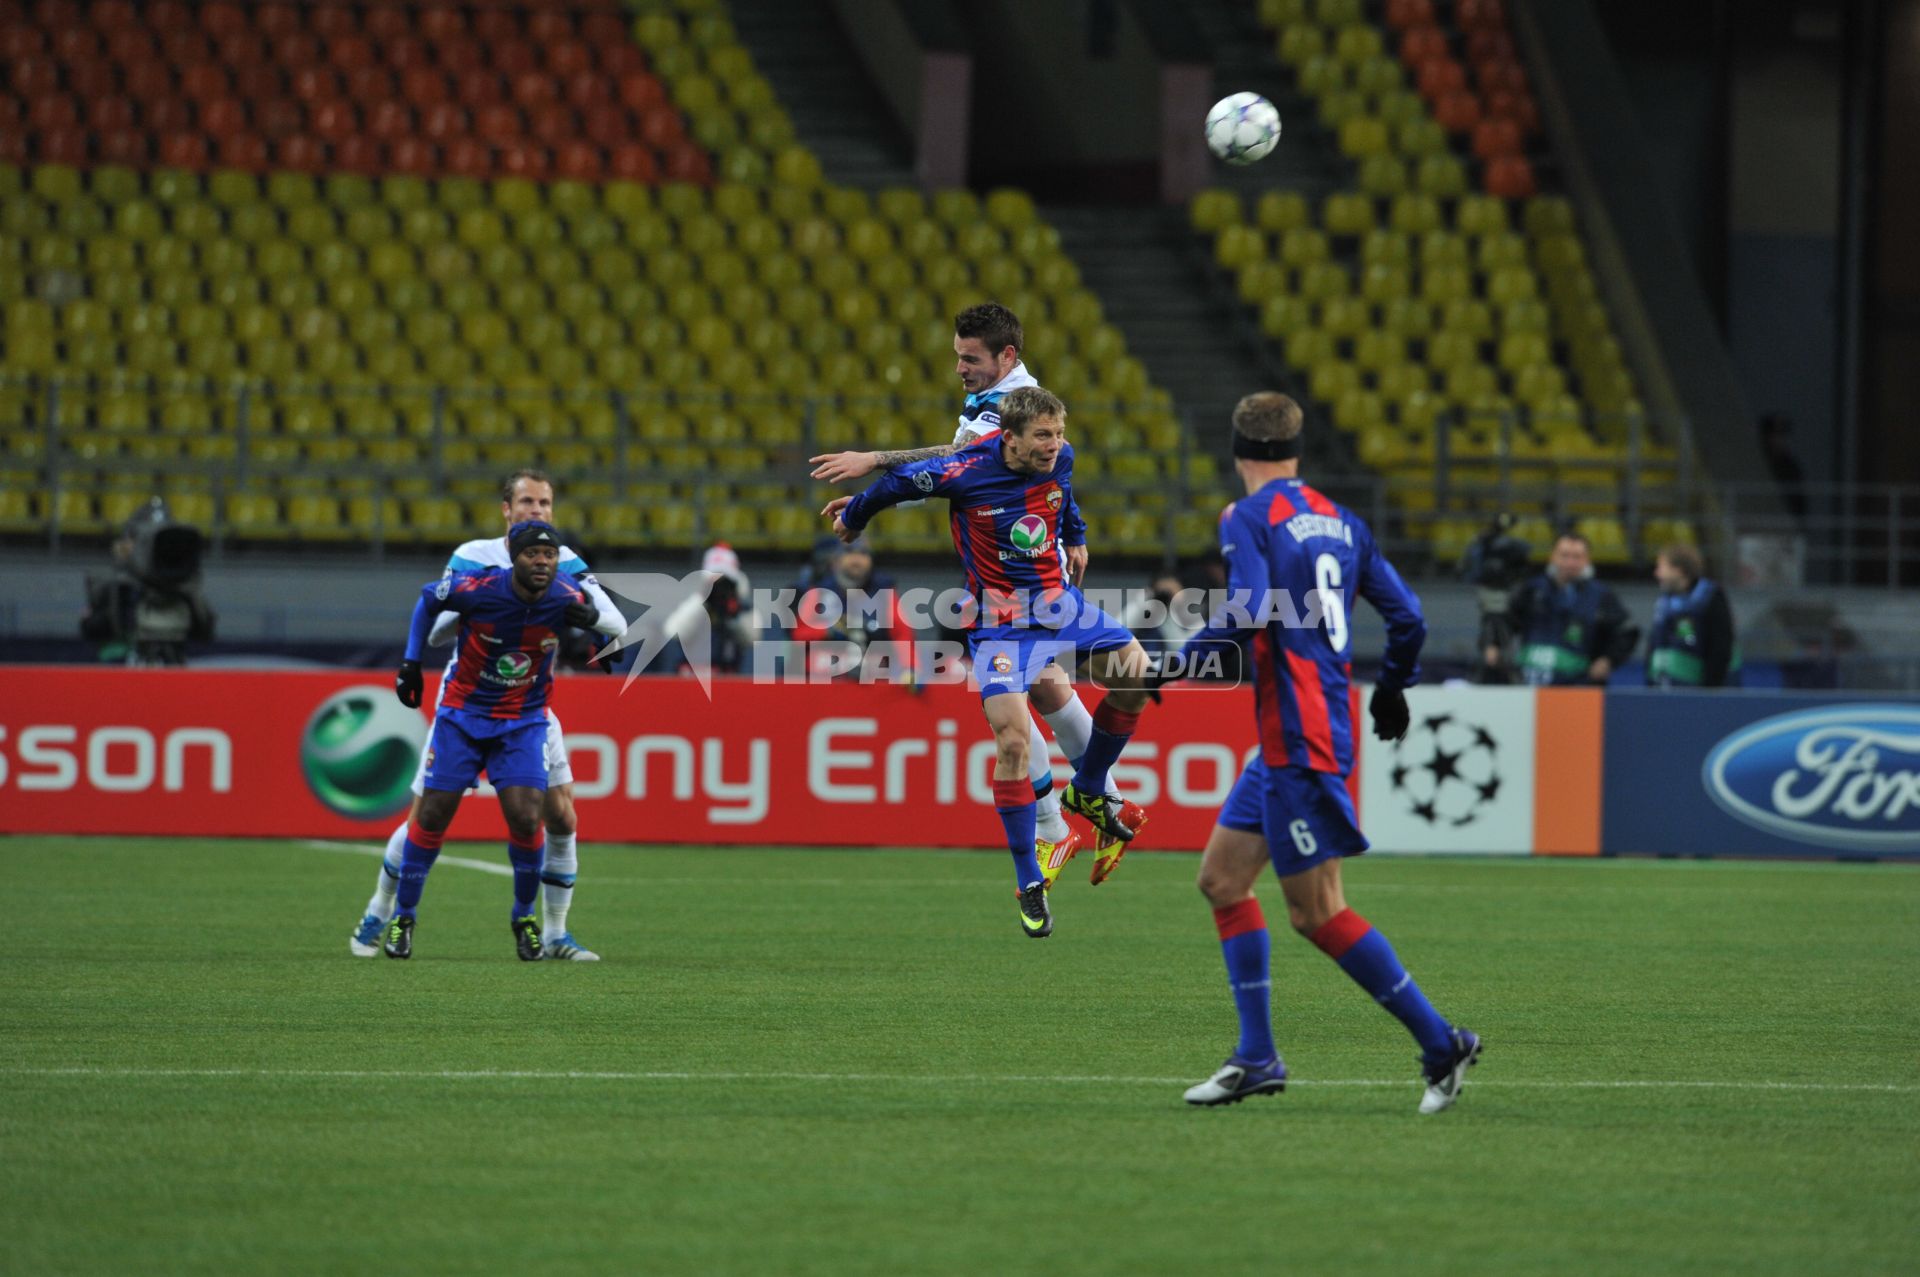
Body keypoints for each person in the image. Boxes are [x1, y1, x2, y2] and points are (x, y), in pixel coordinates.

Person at [1162, 392, 1480, 1114]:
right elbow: (1409, 616)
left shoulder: (1247, 517)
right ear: (1296, 449)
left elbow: (1244, 611)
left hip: (1299, 741)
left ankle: (1442, 1044)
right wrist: (1394, 687)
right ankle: (1257, 1056)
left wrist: (1174, 664)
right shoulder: (1343, 519)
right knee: (1220, 879)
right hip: (1296, 736)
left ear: (1237, 450)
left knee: (1318, 912)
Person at [808, 301, 1146, 887]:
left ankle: (1061, 823)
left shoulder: (1013, 411)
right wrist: (1075, 529)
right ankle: (1107, 805)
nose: (960, 368)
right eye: (959, 357)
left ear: (1006, 357)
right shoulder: (1003, 395)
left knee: (1024, 695)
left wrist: (873, 461)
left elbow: (957, 461)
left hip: (1021, 579)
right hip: (1015, 566)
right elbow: (1053, 471)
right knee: (1043, 686)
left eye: (970, 359)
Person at [350, 470, 627, 961]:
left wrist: (593, 629)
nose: (537, 510)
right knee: (427, 814)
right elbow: (436, 625)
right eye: (527, 501)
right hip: (466, 701)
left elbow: (613, 622)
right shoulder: (472, 558)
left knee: (558, 815)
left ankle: (555, 932)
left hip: (531, 704)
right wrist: (487, 607)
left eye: (545, 502)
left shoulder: (563, 561)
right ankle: (381, 909)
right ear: (506, 508)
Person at [80, 497, 215, 665]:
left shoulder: (185, 587)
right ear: (129, 544)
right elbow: (96, 630)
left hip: (174, 657)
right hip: (123, 659)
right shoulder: (120, 584)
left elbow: (204, 630)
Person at [1493, 531, 1638, 686]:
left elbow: (1627, 632)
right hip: (1529, 687)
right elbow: (1506, 621)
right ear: (1553, 557)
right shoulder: (1532, 590)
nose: (1569, 563)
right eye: (1564, 555)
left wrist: (1608, 660)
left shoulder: (1601, 595)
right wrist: (1494, 645)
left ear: (1587, 560)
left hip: (1578, 688)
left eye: (1576, 557)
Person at [645, 543, 757, 676]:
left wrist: (734, 614)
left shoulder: (740, 607)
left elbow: (753, 638)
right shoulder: (695, 603)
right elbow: (673, 631)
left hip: (727, 679)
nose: (718, 587)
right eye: (714, 580)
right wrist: (703, 600)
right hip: (692, 677)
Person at [1647, 542, 1740, 688]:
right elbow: (1655, 646)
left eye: (1661, 567)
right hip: (1664, 689)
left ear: (1678, 570)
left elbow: (1721, 646)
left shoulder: (1711, 597)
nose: (1656, 573)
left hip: (1701, 692)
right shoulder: (1664, 602)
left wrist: (1709, 690)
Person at [1459, 512, 1530, 684]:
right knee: (1493, 625)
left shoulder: (1511, 546)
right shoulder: (1484, 543)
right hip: (1491, 594)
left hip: (1506, 596)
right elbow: (1467, 567)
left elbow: (1524, 554)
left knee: (1503, 633)